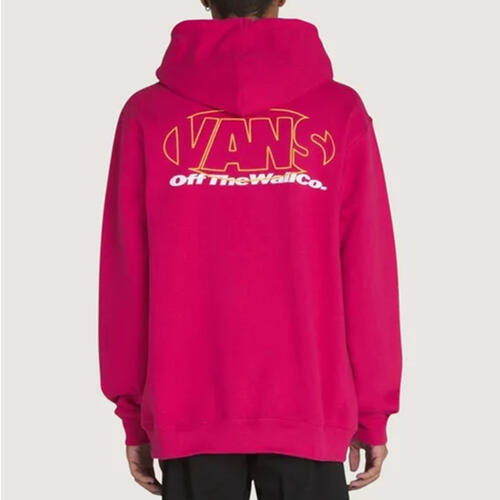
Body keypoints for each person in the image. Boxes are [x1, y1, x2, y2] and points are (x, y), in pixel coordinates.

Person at [98, 0, 403, 498]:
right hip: (310, 404)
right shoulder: (339, 111)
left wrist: (134, 414)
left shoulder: (147, 115)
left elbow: (126, 277)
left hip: (188, 406)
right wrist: (373, 410)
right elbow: (368, 271)